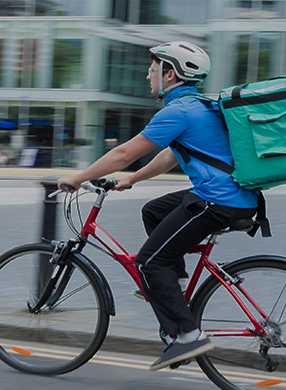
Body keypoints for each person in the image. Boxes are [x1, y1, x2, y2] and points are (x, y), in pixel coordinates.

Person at [57, 41, 259, 371]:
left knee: (149, 262)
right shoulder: (198, 106)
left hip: (217, 201)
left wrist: (79, 178)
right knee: (153, 210)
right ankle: (174, 286)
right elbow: (171, 154)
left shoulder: (177, 111)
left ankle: (187, 336)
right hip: (231, 197)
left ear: (170, 74)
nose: (147, 75)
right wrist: (133, 180)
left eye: (152, 70)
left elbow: (123, 153)